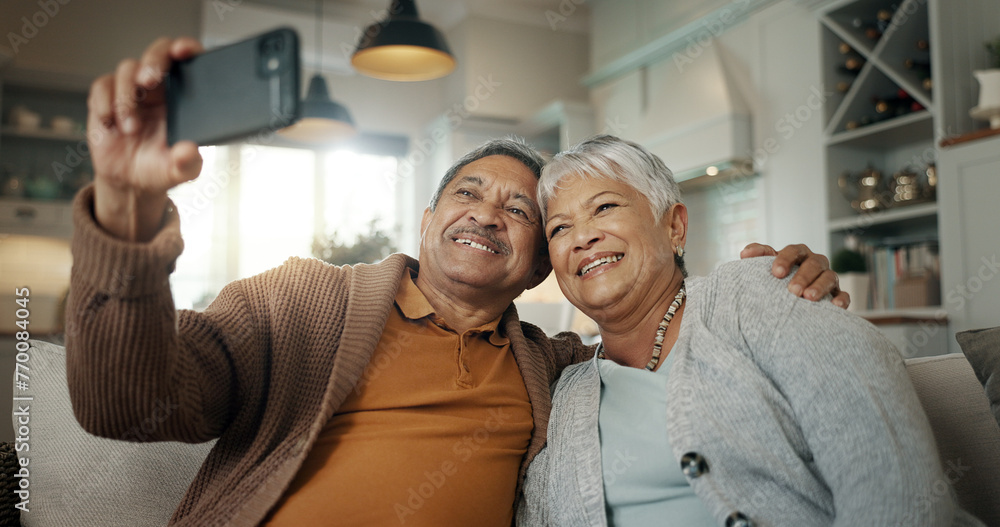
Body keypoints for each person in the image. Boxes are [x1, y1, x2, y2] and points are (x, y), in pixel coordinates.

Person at [66, 38, 844, 526]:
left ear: (543, 263)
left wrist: (775, 298)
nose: (487, 214)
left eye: (520, 210)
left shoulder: (559, 370)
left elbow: (667, 342)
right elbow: (125, 403)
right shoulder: (298, 303)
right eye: (468, 193)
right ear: (429, 217)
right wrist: (129, 208)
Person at [517, 135, 983, 527]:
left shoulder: (760, 292)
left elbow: (893, 483)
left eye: (604, 207)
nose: (582, 236)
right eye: (560, 229)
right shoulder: (562, 390)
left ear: (674, 226)